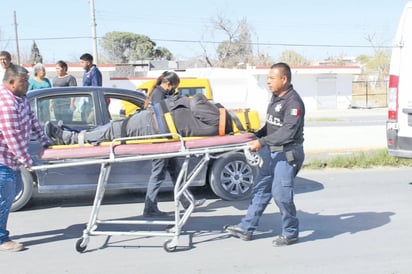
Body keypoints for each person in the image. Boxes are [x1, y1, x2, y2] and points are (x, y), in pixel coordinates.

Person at [225, 62, 305, 246]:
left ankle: (291, 232)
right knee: (261, 189)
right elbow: (272, 126)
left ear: (284, 79)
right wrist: (256, 134)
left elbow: (287, 133)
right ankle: (247, 228)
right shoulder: (276, 97)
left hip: (287, 154)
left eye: (271, 78)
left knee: (281, 195)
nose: (268, 81)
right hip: (272, 152)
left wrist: (260, 142)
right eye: (268, 78)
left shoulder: (293, 102)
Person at [44, 93, 231, 146]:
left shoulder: (219, 118)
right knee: (112, 128)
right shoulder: (218, 121)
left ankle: (67, 138)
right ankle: (71, 134)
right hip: (154, 122)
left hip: (153, 124)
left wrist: (207, 100)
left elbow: (197, 100)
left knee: (113, 131)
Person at [0, 64, 50, 251]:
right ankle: (1, 240)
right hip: (2, 160)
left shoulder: (21, 99)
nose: (28, 84)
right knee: (4, 199)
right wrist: (27, 162)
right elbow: (11, 136)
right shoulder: (6, 103)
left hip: (10, 160)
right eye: (24, 81)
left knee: (12, 193)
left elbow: (33, 121)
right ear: (12, 82)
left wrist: (45, 141)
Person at [143, 71, 205, 217]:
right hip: (160, 141)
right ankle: (149, 208)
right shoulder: (158, 94)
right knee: (157, 175)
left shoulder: (160, 93)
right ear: (168, 84)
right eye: (174, 87)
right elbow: (162, 116)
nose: (174, 90)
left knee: (176, 172)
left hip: (166, 140)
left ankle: (187, 201)